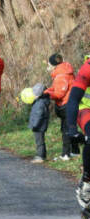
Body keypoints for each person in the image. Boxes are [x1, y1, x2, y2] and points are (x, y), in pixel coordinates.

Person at [44, 53, 79, 161]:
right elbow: (55, 88)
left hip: (66, 105)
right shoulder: (65, 71)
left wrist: (47, 94)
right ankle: (75, 151)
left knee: (65, 130)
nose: (47, 68)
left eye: (49, 66)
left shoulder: (61, 76)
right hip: (71, 103)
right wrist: (47, 90)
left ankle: (65, 154)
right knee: (71, 127)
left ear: (54, 66)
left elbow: (59, 94)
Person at [66, 56, 90, 209]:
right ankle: (87, 182)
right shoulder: (88, 67)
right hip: (87, 110)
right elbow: (73, 99)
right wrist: (72, 130)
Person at [26, 83, 50, 163]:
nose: (33, 95)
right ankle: (42, 155)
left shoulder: (40, 103)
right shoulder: (39, 101)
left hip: (39, 126)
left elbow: (39, 116)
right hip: (39, 126)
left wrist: (34, 125)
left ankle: (40, 157)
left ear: (39, 95)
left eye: (35, 94)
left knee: (39, 142)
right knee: (40, 141)